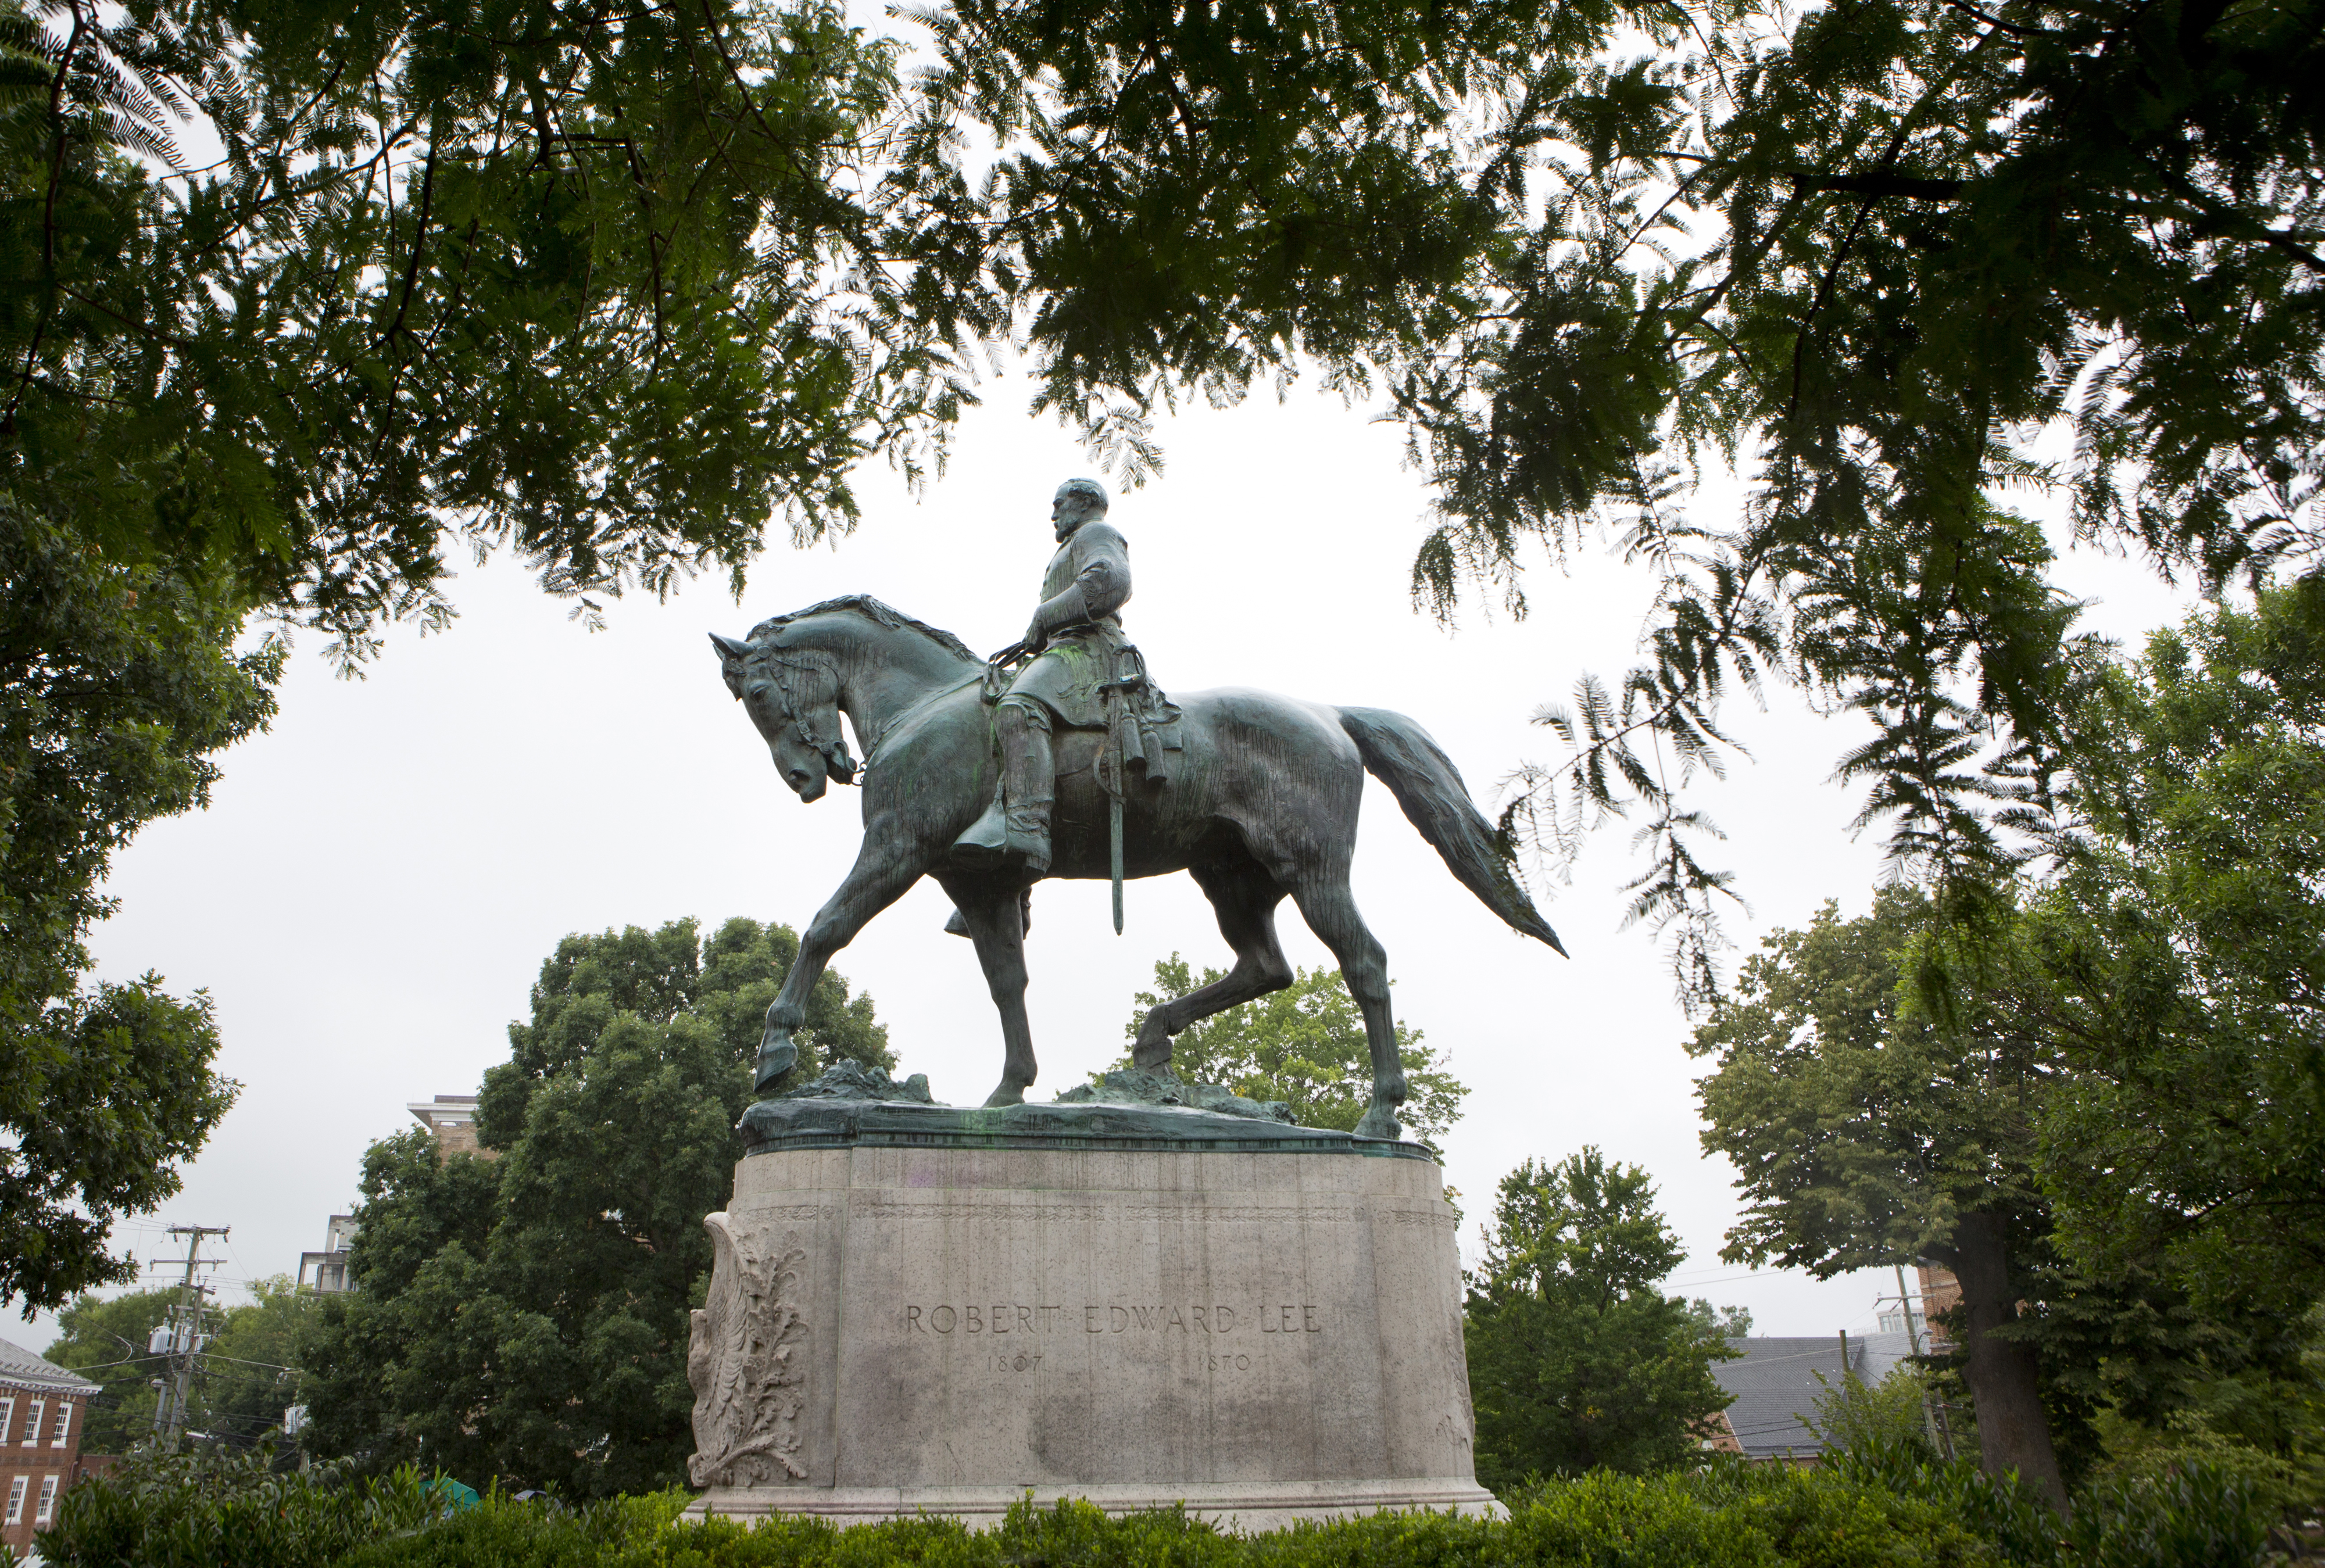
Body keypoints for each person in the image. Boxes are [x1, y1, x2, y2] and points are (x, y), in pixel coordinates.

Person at [953, 477, 1132, 875]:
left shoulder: (1096, 532)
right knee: (995, 705)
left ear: (1085, 503)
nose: (1053, 514)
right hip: (1063, 649)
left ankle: (1029, 827)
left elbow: (1110, 580)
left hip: (1090, 648)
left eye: (1059, 504)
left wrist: (1043, 616)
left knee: (1018, 707)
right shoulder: (1071, 545)